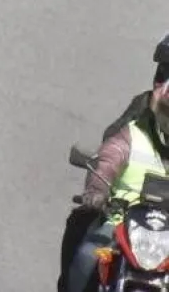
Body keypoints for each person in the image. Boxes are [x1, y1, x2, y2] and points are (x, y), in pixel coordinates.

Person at [56, 43, 169, 291]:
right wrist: (97, 192)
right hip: (118, 229)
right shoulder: (133, 131)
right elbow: (110, 157)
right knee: (87, 253)